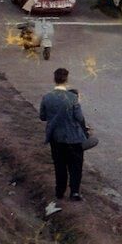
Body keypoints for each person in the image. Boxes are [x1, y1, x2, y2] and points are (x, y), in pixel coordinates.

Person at [39, 68, 88, 215]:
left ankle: (59, 192)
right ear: (66, 80)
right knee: (76, 166)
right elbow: (79, 118)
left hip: (56, 138)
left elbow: (42, 117)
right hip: (74, 138)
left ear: (54, 79)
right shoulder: (72, 98)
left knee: (59, 165)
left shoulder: (47, 97)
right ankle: (74, 192)